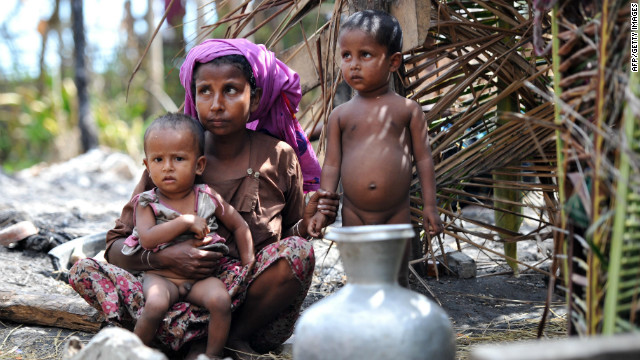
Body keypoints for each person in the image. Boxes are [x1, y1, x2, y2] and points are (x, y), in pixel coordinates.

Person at [69, 38, 339, 359]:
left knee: (299, 252)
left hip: (243, 311)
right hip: (167, 303)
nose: (216, 104)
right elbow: (115, 248)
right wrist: (166, 259)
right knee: (86, 270)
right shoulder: (171, 157)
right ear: (192, 96)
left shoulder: (279, 157)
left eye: (231, 90)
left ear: (255, 99)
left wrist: (306, 224)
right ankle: (168, 340)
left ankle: (224, 343)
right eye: (205, 91)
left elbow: (289, 245)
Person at [307, 10, 444, 284]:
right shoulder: (340, 115)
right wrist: (323, 210)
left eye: (365, 55)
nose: (353, 65)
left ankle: (397, 325)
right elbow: (332, 164)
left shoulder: (407, 111)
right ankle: (364, 325)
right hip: (354, 212)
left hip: (397, 212)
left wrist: (430, 206)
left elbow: (424, 160)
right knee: (359, 277)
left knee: (397, 277)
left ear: (393, 61)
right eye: (346, 55)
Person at [128, 112, 254, 360]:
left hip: (200, 279)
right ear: (147, 166)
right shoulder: (147, 203)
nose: (167, 167)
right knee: (154, 306)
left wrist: (249, 263)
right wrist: (185, 222)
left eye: (178, 158)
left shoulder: (206, 196)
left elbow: (240, 226)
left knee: (220, 301)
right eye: (158, 159)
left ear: (199, 165)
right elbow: (148, 239)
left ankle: (213, 355)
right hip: (162, 278)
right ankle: (130, 353)